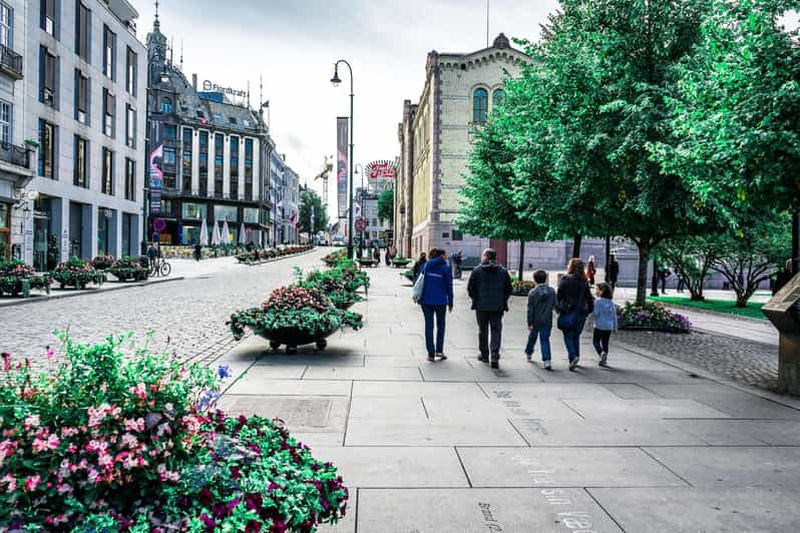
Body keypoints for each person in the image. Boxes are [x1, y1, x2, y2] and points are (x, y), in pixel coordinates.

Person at [467, 248, 513, 368]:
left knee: (483, 330)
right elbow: (508, 289)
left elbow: (470, 288)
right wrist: (503, 300)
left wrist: (476, 299)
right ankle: (494, 356)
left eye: (483, 255)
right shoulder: (503, 271)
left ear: (486, 256)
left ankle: (484, 354)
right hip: (497, 307)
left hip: (481, 306)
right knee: (496, 331)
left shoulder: (477, 271)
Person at [556, 258, 595, 371]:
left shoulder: (566, 279)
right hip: (581, 312)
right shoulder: (584, 281)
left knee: (568, 335)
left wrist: (559, 308)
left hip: (568, 311)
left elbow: (559, 295)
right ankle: (576, 357)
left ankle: (573, 357)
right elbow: (589, 298)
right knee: (576, 336)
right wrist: (590, 310)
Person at [419, 248, 453, 362]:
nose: (447, 257)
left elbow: (420, 280)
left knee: (429, 326)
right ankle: (439, 351)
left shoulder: (427, 265)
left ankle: (430, 353)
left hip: (426, 300)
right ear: (441, 256)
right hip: (440, 301)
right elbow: (449, 286)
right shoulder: (446, 269)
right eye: (445, 255)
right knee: (441, 326)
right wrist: (451, 302)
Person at [525, 269, 555, 369]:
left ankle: (529, 352)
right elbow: (556, 305)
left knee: (532, 337)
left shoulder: (532, 293)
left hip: (535, 319)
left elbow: (530, 309)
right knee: (545, 339)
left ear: (534, 280)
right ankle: (547, 360)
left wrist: (529, 322)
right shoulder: (551, 291)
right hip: (547, 319)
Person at [592, 282, 618, 367]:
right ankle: (604, 359)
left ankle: (601, 353)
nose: (596, 291)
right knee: (605, 343)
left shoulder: (598, 301)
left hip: (599, 325)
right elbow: (614, 316)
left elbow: (596, 313)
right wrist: (615, 328)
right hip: (608, 326)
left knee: (596, 341)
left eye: (597, 290)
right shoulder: (611, 302)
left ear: (601, 291)